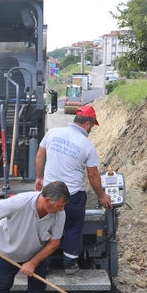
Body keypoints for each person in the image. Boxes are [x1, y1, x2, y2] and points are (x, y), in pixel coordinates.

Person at [34, 105, 112, 275]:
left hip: (49, 194)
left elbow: (40, 156)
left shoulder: (53, 133)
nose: (91, 130)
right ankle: (69, 264)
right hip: (73, 196)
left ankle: (43, 263)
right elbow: (93, 176)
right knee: (73, 228)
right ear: (87, 124)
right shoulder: (87, 145)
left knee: (46, 227)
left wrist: (40, 178)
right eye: (91, 126)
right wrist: (102, 195)